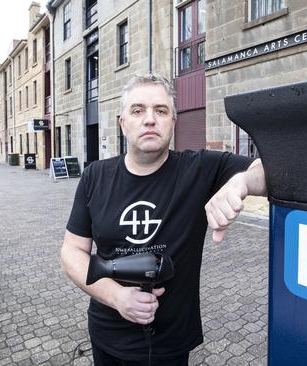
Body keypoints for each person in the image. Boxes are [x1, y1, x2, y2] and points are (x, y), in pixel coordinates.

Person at [61, 74, 267, 365]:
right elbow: (72, 251)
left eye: (160, 110)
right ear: (122, 123)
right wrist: (117, 297)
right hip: (107, 336)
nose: (149, 119)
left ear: (173, 122)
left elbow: (272, 172)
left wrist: (242, 182)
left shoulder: (201, 169)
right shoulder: (94, 176)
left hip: (169, 343)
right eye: (137, 110)